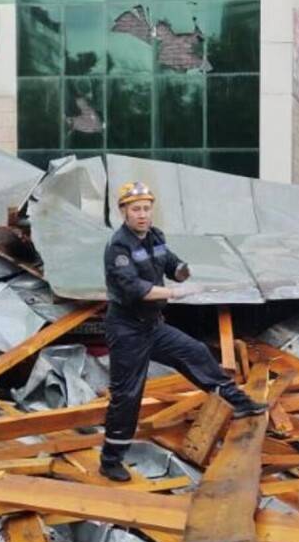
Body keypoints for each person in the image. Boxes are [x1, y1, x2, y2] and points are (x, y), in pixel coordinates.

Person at [100, 180, 267, 482]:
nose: (142, 214)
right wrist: (176, 293)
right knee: (128, 394)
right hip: (126, 329)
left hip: (153, 326)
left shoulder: (154, 236)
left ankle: (240, 404)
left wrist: (183, 270)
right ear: (123, 211)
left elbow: (170, 262)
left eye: (147, 209)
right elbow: (134, 289)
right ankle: (110, 459)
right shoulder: (118, 247)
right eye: (136, 209)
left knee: (195, 352)